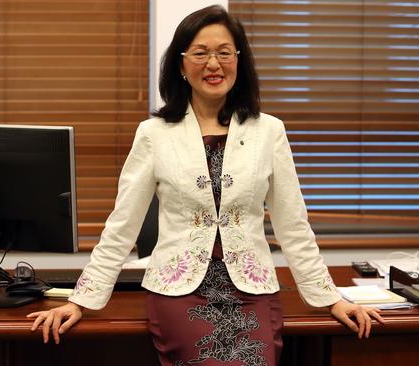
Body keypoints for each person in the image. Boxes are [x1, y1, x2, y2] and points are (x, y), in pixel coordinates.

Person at [28, 5, 384, 365]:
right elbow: (123, 224)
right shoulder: (154, 135)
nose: (213, 64)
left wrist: (331, 297)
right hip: (178, 290)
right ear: (181, 64)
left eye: (224, 53)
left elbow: (292, 224)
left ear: (239, 62)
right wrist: (80, 299)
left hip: (251, 290)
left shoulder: (269, 131)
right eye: (200, 53)